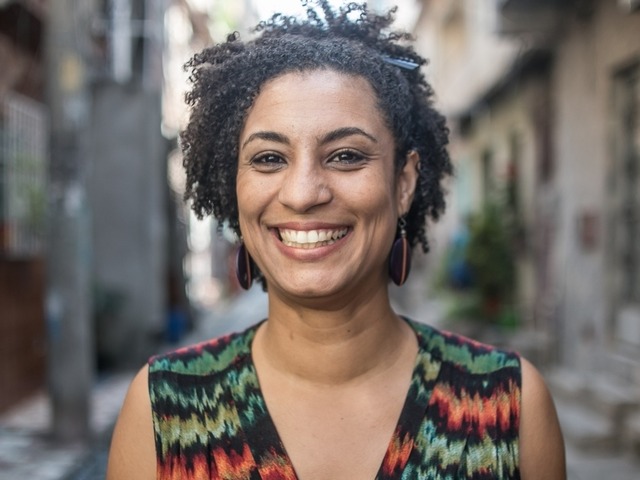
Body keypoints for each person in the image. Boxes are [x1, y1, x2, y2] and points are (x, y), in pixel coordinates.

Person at [106, 1, 566, 479]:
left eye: (346, 156)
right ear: (234, 186)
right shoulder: (163, 411)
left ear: (403, 183)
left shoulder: (510, 407)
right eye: (269, 158)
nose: (303, 194)